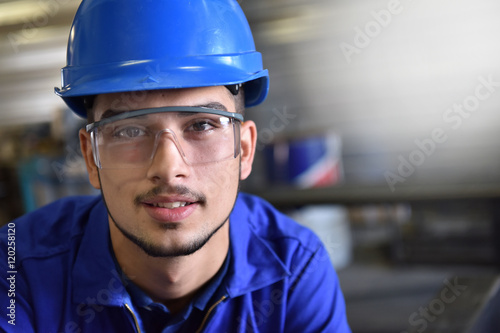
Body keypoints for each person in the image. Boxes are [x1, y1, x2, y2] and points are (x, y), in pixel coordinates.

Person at [0, 0, 351, 332]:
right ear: (91, 157)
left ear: (243, 148)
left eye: (201, 125)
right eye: (130, 130)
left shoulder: (294, 270)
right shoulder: (16, 265)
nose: (169, 169)